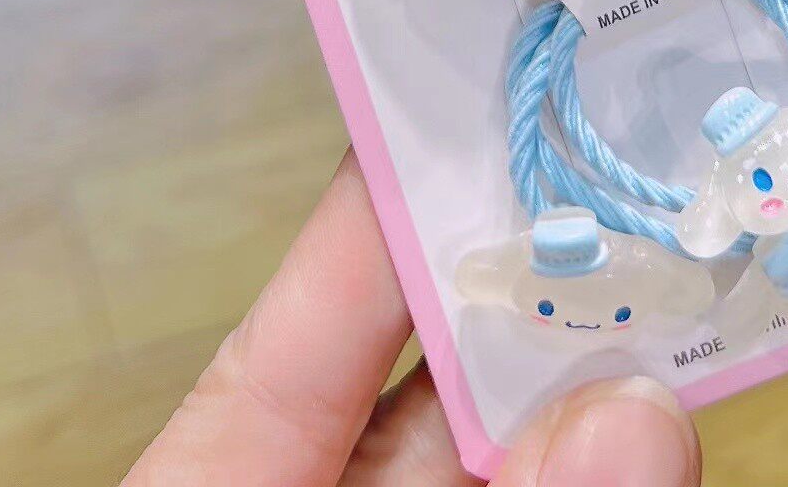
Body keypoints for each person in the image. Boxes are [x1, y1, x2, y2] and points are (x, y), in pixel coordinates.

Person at [125, 154, 704, 487]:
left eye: (620, 312)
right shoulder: (524, 267)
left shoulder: (637, 267)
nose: (579, 325)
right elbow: (481, 275)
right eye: (548, 308)